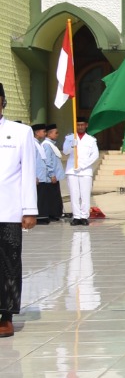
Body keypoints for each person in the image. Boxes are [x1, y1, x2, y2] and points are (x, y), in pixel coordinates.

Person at [0, 84, 39, 337]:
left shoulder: (20, 132)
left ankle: (6, 315)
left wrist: (30, 209)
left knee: (9, 264)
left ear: (2, 101)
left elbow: (28, 173)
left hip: (9, 211)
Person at [59, 117, 98, 225]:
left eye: (82, 124)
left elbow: (95, 155)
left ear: (86, 125)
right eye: (78, 125)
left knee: (85, 194)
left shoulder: (91, 139)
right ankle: (76, 216)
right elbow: (65, 152)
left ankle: (84, 216)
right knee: (74, 194)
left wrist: (83, 165)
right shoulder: (70, 138)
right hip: (72, 170)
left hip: (85, 170)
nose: (80, 127)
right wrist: (72, 145)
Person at [32, 124, 62, 225]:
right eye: (43, 131)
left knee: (43, 197)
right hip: (38, 176)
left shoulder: (38, 144)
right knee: (40, 197)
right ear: (37, 132)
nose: (45, 133)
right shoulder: (33, 144)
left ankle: (43, 216)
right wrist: (34, 175)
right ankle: (40, 217)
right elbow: (32, 161)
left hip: (42, 176)